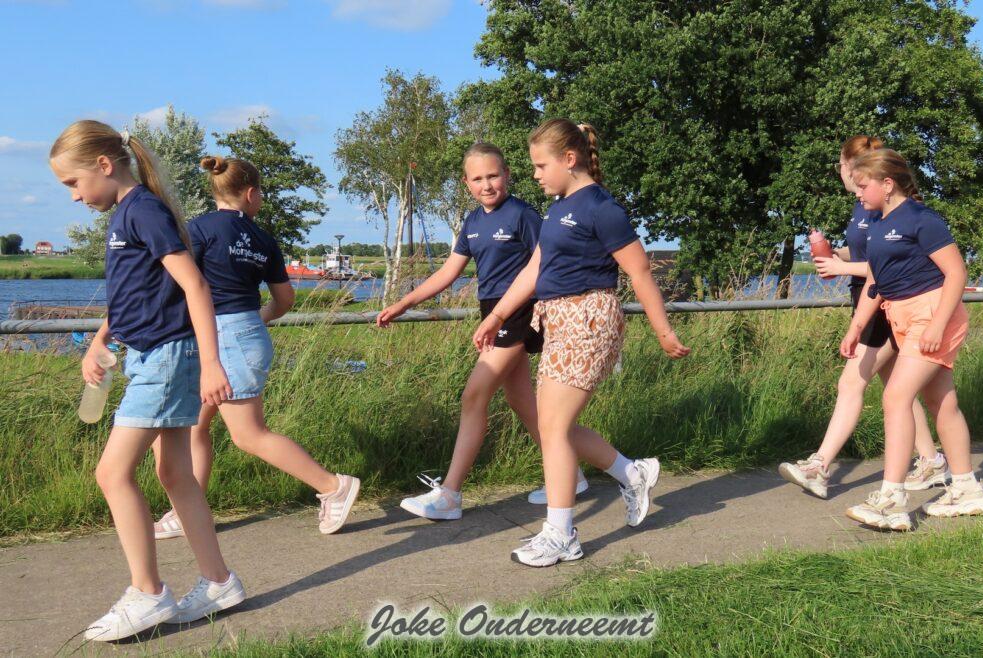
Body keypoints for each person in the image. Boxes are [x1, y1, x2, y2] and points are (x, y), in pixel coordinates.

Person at [49, 121, 244, 640]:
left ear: (103, 165)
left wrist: (211, 363)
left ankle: (148, 592)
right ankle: (219, 582)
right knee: (175, 474)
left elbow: (195, 287)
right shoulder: (126, 215)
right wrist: (99, 340)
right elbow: (132, 294)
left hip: (166, 358)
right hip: (148, 355)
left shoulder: (143, 211)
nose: (74, 196)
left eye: (73, 183)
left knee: (112, 474)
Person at [473, 119, 689, 567]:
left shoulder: (601, 208)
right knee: (556, 425)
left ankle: (561, 535)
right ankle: (632, 473)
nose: (535, 174)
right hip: (557, 320)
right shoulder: (558, 208)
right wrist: (496, 315)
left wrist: (664, 331)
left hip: (589, 318)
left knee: (553, 428)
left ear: (569, 160)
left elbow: (639, 272)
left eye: (541, 165)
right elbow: (533, 269)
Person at [152, 156, 360, 539]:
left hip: (217, 338)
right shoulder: (263, 239)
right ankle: (187, 511)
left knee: (248, 434)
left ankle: (333, 486)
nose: (261, 199)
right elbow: (284, 300)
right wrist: (256, 320)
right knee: (194, 426)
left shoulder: (199, 230)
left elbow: (179, 283)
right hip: (241, 332)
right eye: (261, 193)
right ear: (250, 194)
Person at [377, 142, 586, 520]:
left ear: (507, 175)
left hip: (519, 311)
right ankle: (572, 476)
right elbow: (448, 272)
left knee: (474, 396)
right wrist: (404, 302)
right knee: (523, 403)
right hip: (491, 311)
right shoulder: (473, 222)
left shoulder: (523, 215)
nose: (487, 185)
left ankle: (450, 495)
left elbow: (547, 263)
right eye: (477, 179)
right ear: (466, 183)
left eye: (493, 176)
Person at [779, 136, 945, 498]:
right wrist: (835, 254)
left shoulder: (883, 207)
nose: (842, 174)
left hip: (883, 300)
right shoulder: (863, 206)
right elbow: (867, 251)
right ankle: (932, 460)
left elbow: (889, 262)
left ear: (853, 167)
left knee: (851, 383)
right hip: (867, 299)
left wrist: (842, 268)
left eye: (841, 165)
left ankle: (819, 466)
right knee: (897, 387)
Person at [841, 148, 983, 531]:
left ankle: (892, 500)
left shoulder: (922, 219)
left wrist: (937, 325)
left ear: (887, 184)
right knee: (941, 401)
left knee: (896, 397)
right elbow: (876, 281)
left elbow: (956, 273)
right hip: (902, 316)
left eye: (863, 185)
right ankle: (967, 489)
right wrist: (857, 327)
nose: (857, 193)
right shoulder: (878, 225)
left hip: (932, 314)